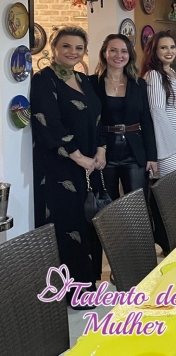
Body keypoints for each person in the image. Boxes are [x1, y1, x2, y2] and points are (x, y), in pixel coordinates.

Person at [30, 26, 106, 305]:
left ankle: (89, 285)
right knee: (68, 226)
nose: (72, 52)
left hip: (91, 167)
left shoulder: (84, 80)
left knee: (90, 224)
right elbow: (48, 123)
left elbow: (99, 118)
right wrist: (78, 156)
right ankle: (72, 293)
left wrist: (100, 150)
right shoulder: (44, 81)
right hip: (61, 168)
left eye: (78, 48)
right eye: (66, 46)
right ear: (54, 48)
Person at [91, 34, 158, 203]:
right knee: (107, 205)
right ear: (104, 53)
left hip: (134, 151)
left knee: (137, 204)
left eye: (123, 51)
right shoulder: (91, 83)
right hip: (105, 150)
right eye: (113, 50)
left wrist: (152, 156)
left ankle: (138, 231)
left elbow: (147, 121)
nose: (118, 55)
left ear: (129, 55)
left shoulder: (139, 84)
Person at [141, 31, 176, 177]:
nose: (169, 51)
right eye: (163, 48)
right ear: (154, 51)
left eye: (172, 47)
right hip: (166, 144)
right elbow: (157, 111)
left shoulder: (171, 71)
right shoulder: (154, 75)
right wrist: (173, 145)